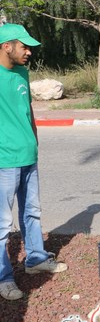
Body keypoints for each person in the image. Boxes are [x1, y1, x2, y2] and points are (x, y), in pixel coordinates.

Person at [0, 23, 68, 301]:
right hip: (4, 160)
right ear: (7, 46)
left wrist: (34, 139)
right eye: (24, 46)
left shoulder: (21, 72)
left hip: (28, 155)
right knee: (2, 224)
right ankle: (3, 277)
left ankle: (36, 258)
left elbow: (27, 110)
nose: (29, 52)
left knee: (32, 211)